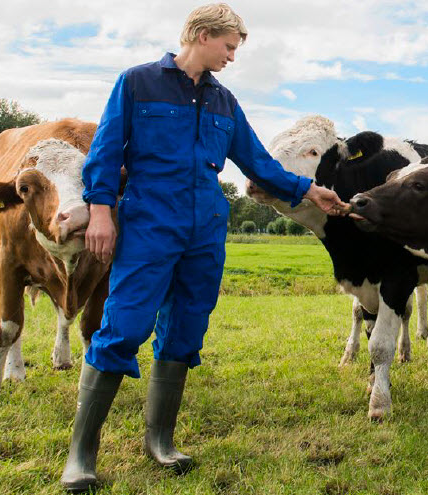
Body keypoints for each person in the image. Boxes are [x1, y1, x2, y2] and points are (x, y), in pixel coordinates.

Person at [61, 3, 346, 491]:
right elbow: (106, 152)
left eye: (235, 49)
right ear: (201, 34)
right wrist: (102, 211)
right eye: (228, 46)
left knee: (186, 330)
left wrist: (307, 189)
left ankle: (160, 442)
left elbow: (257, 161)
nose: (232, 57)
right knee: (124, 325)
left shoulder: (224, 102)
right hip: (150, 220)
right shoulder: (137, 83)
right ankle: (81, 454)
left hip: (206, 228)